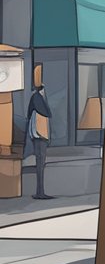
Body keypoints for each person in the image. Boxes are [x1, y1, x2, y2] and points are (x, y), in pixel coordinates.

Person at [27, 65, 51, 200]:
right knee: (40, 164)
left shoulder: (36, 98)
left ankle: (40, 191)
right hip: (39, 135)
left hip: (39, 135)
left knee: (40, 164)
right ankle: (40, 192)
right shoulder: (37, 98)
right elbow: (46, 113)